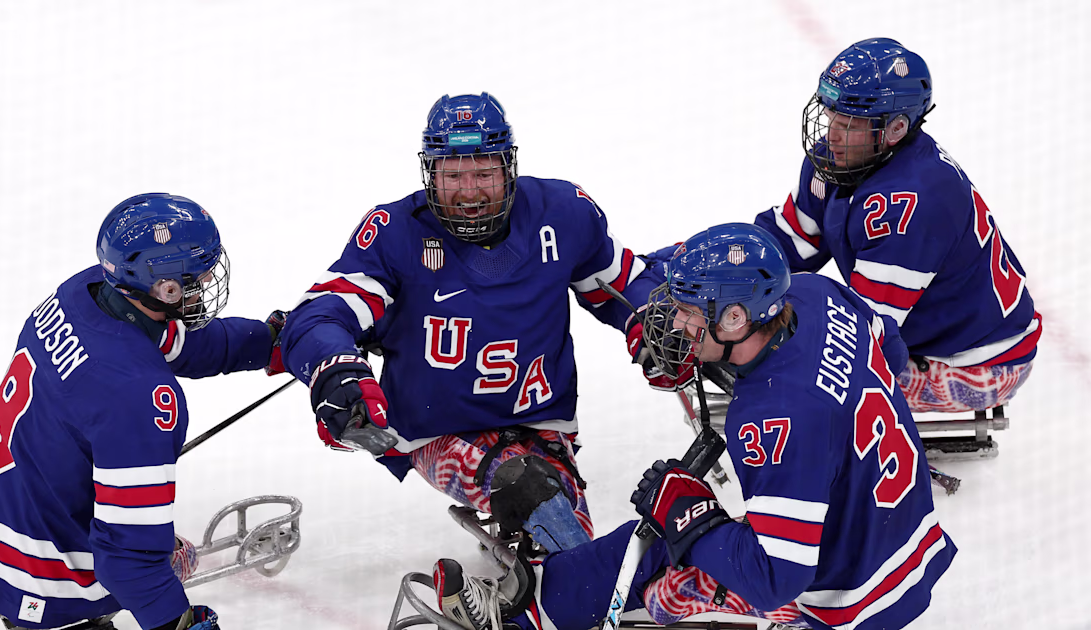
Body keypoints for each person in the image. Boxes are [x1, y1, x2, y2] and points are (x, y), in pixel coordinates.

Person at [432, 224, 956, 630]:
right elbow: (891, 351)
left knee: (660, 554)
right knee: (670, 532)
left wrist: (691, 514)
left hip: (854, 600)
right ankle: (540, 601)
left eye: (688, 311)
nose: (677, 323)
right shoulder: (818, 296)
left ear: (736, 319)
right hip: (897, 533)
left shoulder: (774, 417)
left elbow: (776, 577)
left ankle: (523, 617)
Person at [278, 93, 659, 554]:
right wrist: (335, 370)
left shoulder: (563, 213)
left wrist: (654, 324)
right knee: (532, 496)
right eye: (452, 176)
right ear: (430, 174)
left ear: (508, 168)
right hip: (440, 429)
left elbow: (624, 283)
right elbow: (319, 313)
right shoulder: (396, 232)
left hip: (542, 422)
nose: (469, 192)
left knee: (572, 549)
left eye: (483, 173)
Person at [0, 193, 283, 630]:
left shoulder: (86, 292)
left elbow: (178, 343)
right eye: (196, 278)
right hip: (46, 569)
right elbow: (129, 563)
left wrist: (268, 342)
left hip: (0, 508)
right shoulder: (137, 394)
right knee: (146, 557)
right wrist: (179, 622)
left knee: (150, 540)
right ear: (165, 288)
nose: (205, 285)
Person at [755, 38, 1040, 413]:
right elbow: (788, 243)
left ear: (895, 129)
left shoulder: (912, 202)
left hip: (980, 364)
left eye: (849, 123)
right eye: (830, 114)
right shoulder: (839, 159)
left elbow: (864, 331)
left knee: (796, 372)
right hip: (931, 334)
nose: (831, 134)